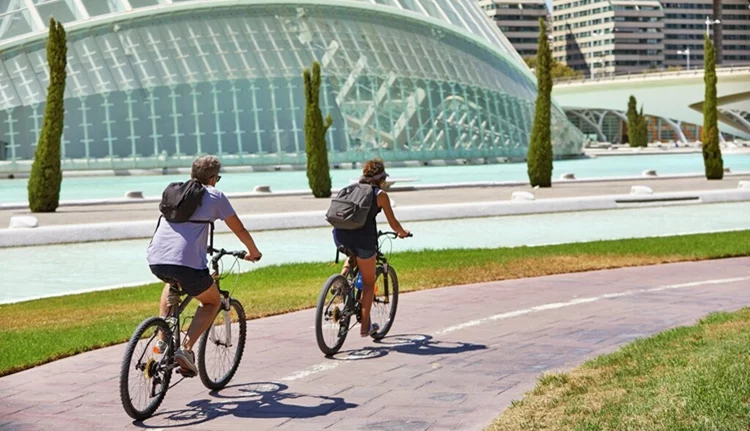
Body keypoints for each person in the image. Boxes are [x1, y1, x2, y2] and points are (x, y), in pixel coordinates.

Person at [147, 155, 262, 376]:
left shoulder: (174, 191)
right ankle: (186, 349)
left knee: (172, 281)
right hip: (188, 265)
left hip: (157, 259)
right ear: (212, 178)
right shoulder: (215, 196)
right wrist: (253, 252)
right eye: (217, 177)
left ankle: (161, 339)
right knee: (212, 302)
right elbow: (239, 229)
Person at [333, 159, 410, 337]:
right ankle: (365, 327)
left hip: (340, 236)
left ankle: (341, 279)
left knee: (351, 252)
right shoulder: (380, 195)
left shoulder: (351, 189)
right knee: (368, 283)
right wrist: (402, 232)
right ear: (381, 178)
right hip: (364, 240)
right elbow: (393, 223)